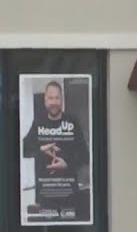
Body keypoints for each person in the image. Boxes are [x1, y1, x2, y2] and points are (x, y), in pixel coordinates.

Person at [21, 79, 90, 221]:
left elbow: (85, 155)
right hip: (46, 195)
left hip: (69, 194)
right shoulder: (39, 122)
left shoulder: (72, 121)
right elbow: (24, 148)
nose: (53, 102)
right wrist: (41, 148)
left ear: (62, 99)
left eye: (57, 98)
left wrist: (67, 164)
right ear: (45, 99)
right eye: (50, 98)